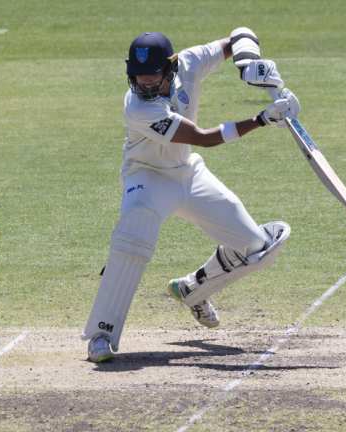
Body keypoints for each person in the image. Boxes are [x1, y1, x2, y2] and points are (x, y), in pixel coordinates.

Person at [82, 29, 299, 362]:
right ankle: (101, 334)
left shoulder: (191, 61)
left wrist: (249, 61)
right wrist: (262, 119)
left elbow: (239, 35)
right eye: (139, 79)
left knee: (257, 247)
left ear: (171, 66)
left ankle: (192, 290)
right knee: (132, 238)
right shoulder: (138, 107)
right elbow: (203, 137)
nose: (146, 86)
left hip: (188, 173)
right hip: (148, 178)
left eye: (153, 79)